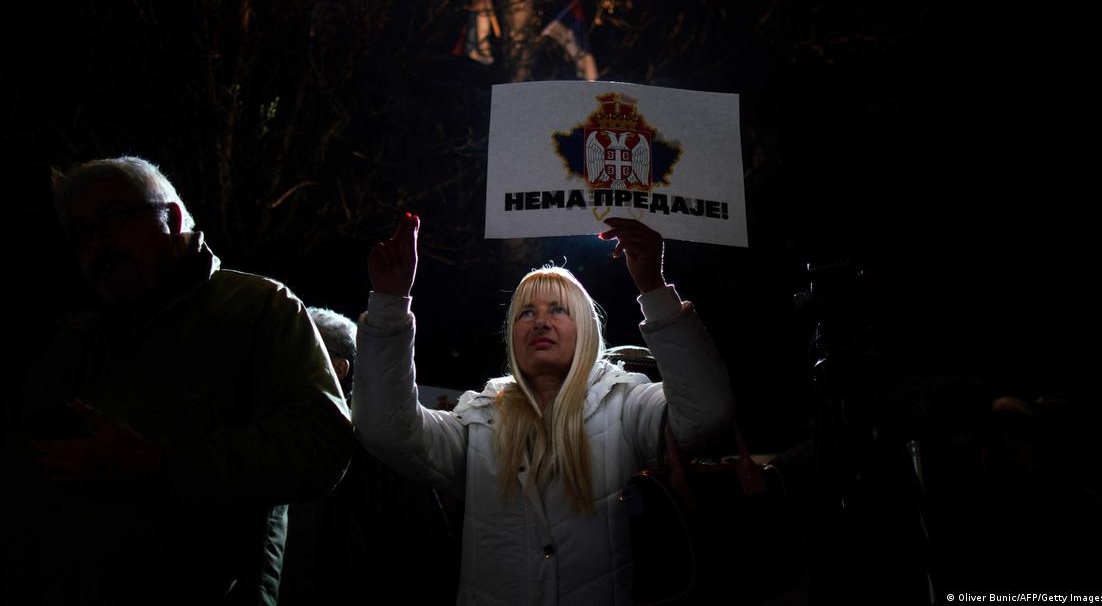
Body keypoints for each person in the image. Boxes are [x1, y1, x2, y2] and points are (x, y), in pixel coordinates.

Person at [10, 156, 354, 605]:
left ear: (170, 218)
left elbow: (321, 444)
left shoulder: (259, 308)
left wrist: (159, 464)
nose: (98, 244)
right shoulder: (75, 338)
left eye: (113, 220)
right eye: (81, 235)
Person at [352, 213, 734, 604]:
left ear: (585, 328)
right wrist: (389, 304)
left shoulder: (627, 402)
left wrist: (653, 287)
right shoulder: (479, 420)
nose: (540, 322)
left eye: (558, 310)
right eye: (526, 313)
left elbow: (705, 415)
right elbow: (386, 429)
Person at [279, 307, 459, 605]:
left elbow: (429, 558)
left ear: (338, 367)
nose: (280, 362)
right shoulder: (277, 440)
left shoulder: (382, 450)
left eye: (296, 349)